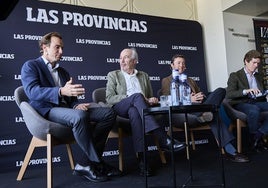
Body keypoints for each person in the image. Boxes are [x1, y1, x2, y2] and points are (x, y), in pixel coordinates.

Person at [20, 32, 122, 183]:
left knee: (108, 113)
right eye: (57, 47)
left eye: (62, 48)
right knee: (80, 117)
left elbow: (71, 98)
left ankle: (86, 163)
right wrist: (60, 91)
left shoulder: (63, 71)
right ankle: (97, 163)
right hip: (46, 112)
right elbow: (32, 92)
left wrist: (75, 104)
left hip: (66, 110)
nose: (61, 52)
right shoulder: (31, 66)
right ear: (44, 48)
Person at [105, 48, 186, 176]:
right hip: (120, 108)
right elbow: (109, 98)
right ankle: (163, 138)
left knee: (134, 112)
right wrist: (131, 97)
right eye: (120, 58)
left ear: (134, 60)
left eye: (125, 57)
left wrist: (151, 100)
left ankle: (143, 161)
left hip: (137, 110)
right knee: (137, 97)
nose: (122, 60)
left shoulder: (144, 76)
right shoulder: (113, 74)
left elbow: (148, 96)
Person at [161, 54, 249, 162]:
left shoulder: (190, 80)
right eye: (178, 62)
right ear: (172, 65)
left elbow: (201, 95)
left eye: (183, 63)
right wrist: (189, 99)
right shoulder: (167, 80)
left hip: (199, 109)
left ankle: (203, 114)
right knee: (213, 116)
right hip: (181, 114)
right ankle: (231, 151)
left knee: (221, 91)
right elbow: (168, 100)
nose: (181, 65)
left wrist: (201, 97)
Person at [226, 49, 268, 152]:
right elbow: (229, 94)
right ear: (246, 61)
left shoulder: (258, 76)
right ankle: (255, 138)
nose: (256, 66)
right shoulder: (235, 75)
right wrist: (246, 91)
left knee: (256, 107)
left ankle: (257, 136)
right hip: (241, 103)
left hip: (257, 102)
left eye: (258, 63)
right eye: (254, 63)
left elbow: (261, 92)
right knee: (254, 110)